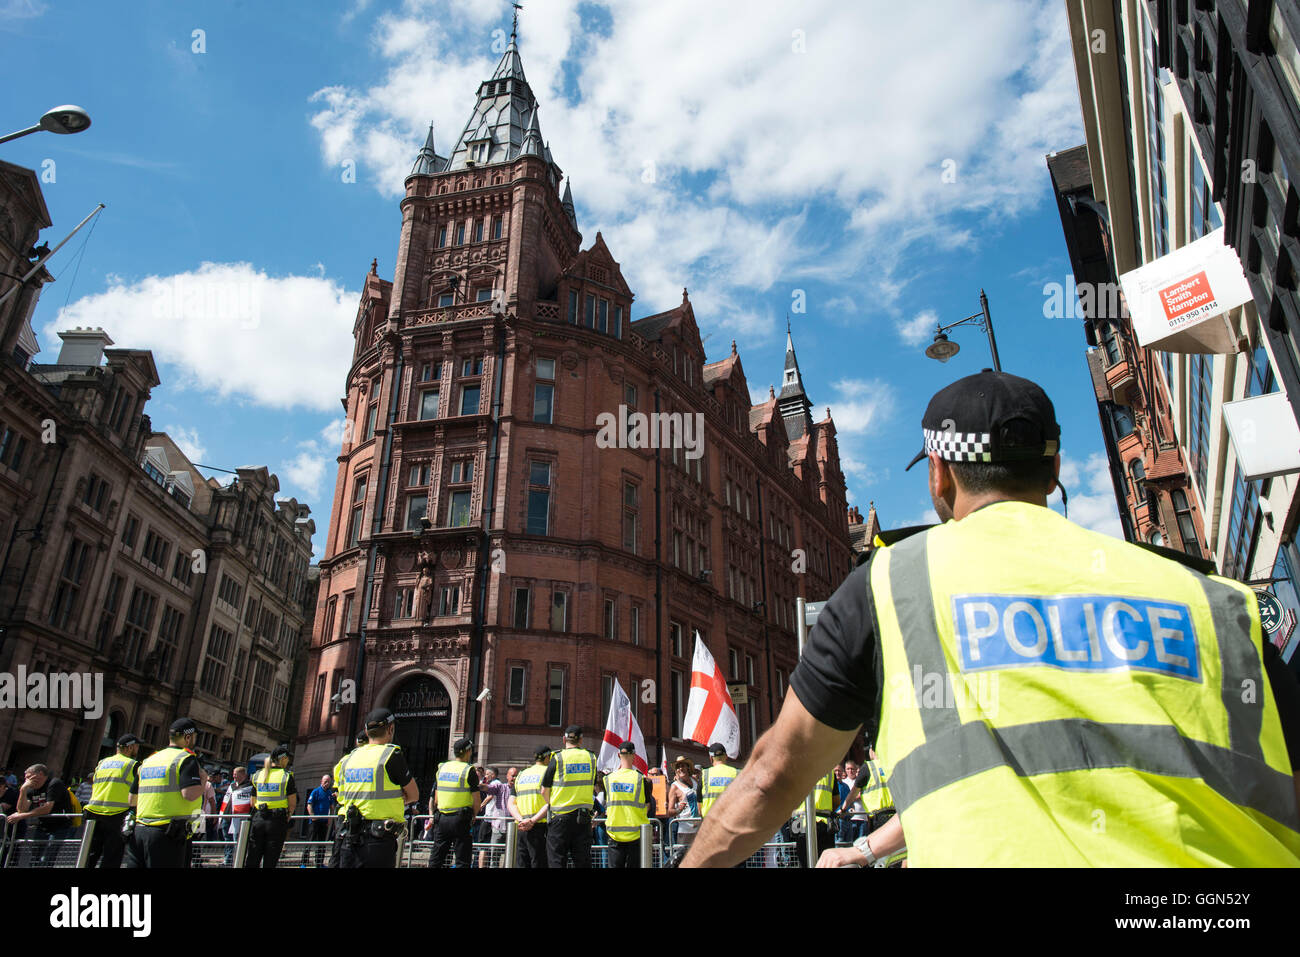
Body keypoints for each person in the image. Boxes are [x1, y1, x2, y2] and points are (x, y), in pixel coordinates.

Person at [685, 369, 1300, 867]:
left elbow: (771, 776)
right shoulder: (1218, 600)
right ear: (1054, 470)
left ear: (938, 473)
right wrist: (870, 846)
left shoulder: (893, 585)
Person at [336, 709, 420, 868]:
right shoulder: (390, 755)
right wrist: (399, 797)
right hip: (378, 841)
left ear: (366, 731)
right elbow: (414, 794)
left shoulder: (349, 758)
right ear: (391, 729)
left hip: (349, 837)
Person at [124, 717, 208, 868]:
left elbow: (131, 800)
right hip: (167, 833)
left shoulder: (149, 760)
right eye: (195, 736)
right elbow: (189, 794)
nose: (195, 740)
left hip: (140, 830)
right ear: (187, 737)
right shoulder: (185, 759)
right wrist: (203, 780)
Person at [541, 726, 601, 868]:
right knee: (583, 862)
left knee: (556, 861)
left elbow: (544, 790)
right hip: (583, 818)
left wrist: (552, 804)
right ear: (581, 740)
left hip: (560, 818)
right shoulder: (591, 757)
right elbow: (592, 785)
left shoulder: (558, 757)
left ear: (564, 740)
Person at [83, 734, 141, 869]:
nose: (137, 750)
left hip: (93, 813)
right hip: (116, 815)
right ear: (130, 747)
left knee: (89, 855)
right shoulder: (133, 765)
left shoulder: (102, 763)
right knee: (112, 857)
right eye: (137, 747)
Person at [428, 737, 480, 868]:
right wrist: (473, 815)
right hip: (461, 819)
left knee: (436, 858)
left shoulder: (442, 768)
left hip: (442, 817)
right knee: (462, 860)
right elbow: (477, 800)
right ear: (468, 752)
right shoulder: (468, 770)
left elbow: (436, 797)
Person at [9, 764, 75, 866]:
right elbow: (21, 809)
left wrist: (22, 816)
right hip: (43, 826)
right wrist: (23, 790)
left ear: (40, 774)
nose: (27, 780)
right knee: (35, 857)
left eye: (29, 777)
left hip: (59, 826)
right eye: (25, 777)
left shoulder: (54, 784)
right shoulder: (30, 788)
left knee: (46, 858)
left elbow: (47, 808)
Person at [245, 743, 296, 868]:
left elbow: (252, 802)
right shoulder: (286, 776)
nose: (288, 761)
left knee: (253, 857)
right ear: (283, 759)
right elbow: (292, 803)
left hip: (258, 819)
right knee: (271, 859)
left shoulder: (258, 775)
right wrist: (288, 815)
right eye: (287, 758)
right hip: (277, 821)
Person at [604, 741, 654, 868]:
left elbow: (607, 804)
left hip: (614, 835)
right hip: (636, 835)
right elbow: (648, 806)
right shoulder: (642, 779)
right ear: (634, 755)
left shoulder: (608, 779)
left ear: (618, 755)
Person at [329, 728, 370, 867]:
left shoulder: (343, 761)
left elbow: (336, 785)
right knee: (356, 853)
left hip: (343, 811)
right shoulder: (370, 759)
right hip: (362, 812)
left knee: (338, 850)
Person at [509, 747, 551, 868]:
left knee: (522, 863)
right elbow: (551, 802)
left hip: (521, 827)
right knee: (539, 863)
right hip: (540, 826)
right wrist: (532, 821)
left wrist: (522, 820)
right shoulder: (548, 772)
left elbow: (511, 803)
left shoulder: (522, 774)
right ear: (547, 757)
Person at [220, 765, 255, 865]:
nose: (234, 776)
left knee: (237, 840)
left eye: (236, 774)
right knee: (227, 840)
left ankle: (237, 861)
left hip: (239, 819)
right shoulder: (232, 786)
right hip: (227, 816)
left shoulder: (249, 786)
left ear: (243, 774)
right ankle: (228, 859)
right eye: (233, 774)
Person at [475, 765, 509, 867]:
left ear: (492, 775)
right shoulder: (498, 783)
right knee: (491, 848)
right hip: (494, 820)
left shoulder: (495, 783)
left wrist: (480, 805)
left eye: (487, 774)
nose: (485, 776)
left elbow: (489, 794)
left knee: (483, 846)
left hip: (490, 819)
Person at [665, 756, 698, 852]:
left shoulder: (695, 781)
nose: (680, 769)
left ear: (688, 767)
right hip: (685, 829)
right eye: (678, 767)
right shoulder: (675, 786)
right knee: (683, 858)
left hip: (698, 827)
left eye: (682, 765)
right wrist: (679, 809)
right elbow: (670, 812)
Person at [699, 743, 739, 817]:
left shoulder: (704, 774)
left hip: (710, 820)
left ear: (711, 758)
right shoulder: (737, 773)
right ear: (726, 756)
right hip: (731, 819)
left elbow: (699, 801)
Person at [306, 773, 336, 867]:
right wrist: (312, 816)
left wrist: (330, 818)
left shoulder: (329, 793)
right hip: (314, 821)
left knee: (322, 844)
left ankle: (319, 863)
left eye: (328, 782)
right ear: (321, 781)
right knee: (309, 842)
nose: (326, 784)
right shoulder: (315, 791)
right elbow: (309, 805)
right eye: (325, 782)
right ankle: (304, 863)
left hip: (324, 821)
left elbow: (331, 807)